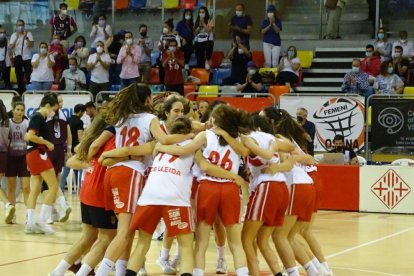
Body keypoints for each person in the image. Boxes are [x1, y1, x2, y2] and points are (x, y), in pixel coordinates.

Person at [93, 84, 193, 276]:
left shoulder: (122, 118)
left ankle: (123, 269)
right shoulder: (150, 119)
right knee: (125, 232)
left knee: (130, 231)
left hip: (114, 170)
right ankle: (104, 272)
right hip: (131, 172)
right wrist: (188, 135)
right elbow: (163, 141)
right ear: (147, 99)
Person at [155, 104, 250, 276]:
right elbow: (245, 152)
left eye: (213, 116)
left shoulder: (205, 135)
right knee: (236, 244)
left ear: (218, 119)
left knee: (201, 242)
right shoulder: (239, 139)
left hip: (208, 188)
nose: (210, 119)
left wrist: (160, 147)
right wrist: (227, 135)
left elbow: (184, 150)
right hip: (230, 188)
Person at [49, 115, 118, 276]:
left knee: (88, 237)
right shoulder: (113, 138)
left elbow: (73, 159)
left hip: (87, 189)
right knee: (107, 239)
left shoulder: (94, 141)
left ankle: (57, 272)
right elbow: (71, 161)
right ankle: (83, 271)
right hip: (100, 192)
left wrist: (91, 165)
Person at [24, 93, 60, 234]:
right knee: (53, 187)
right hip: (38, 153)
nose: (54, 113)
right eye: (54, 109)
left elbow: (28, 136)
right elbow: (31, 136)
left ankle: (30, 223)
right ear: (47, 106)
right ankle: (42, 221)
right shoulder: (38, 117)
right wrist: (47, 142)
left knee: (35, 189)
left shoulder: (37, 117)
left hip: (32, 154)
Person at [45, 94, 72, 223]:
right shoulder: (63, 114)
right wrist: (69, 149)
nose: (60, 104)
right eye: (59, 102)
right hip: (60, 149)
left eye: (61, 102)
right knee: (55, 181)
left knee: (47, 184)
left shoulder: (46, 114)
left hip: (49, 149)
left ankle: (51, 213)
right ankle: (57, 209)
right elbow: (68, 133)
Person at [6, 102, 30, 223]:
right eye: (18, 109)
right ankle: (12, 214)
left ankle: (28, 216)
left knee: (26, 187)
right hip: (11, 157)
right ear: (13, 110)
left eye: (22, 110)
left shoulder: (27, 123)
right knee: (11, 187)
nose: (20, 112)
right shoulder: (8, 122)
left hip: (24, 158)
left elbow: (31, 140)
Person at [59, 103, 85, 193]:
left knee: (65, 171)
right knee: (81, 170)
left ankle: (60, 189)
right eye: (83, 112)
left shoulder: (68, 120)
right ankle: (81, 190)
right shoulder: (79, 122)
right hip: (77, 149)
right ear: (81, 112)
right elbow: (80, 136)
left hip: (68, 148)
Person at [0, 99, 15, 224]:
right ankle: (7, 205)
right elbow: (10, 140)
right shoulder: (7, 122)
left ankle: (7, 204)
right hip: (5, 155)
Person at [9, 19, 34, 94]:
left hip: (27, 57)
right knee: (19, 75)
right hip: (18, 57)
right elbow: (11, 47)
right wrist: (17, 38)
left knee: (28, 75)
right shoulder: (13, 35)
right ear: (16, 26)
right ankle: (20, 92)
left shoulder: (29, 34)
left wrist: (26, 37)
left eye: (21, 25)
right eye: (18, 25)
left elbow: (31, 45)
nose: (20, 27)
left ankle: (29, 91)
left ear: (24, 26)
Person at [158, 18, 181, 83]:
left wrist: (170, 46)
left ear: (170, 28)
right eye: (164, 27)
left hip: (173, 59)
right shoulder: (162, 36)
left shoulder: (175, 36)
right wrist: (162, 46)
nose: (164, 28)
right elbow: (159, 47)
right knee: (162, 76)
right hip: (163, 58)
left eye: (165, 27)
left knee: (171, 76)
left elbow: (178, 47)